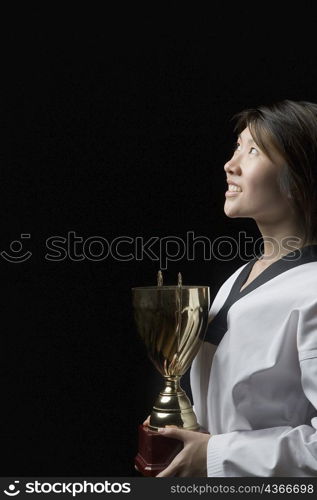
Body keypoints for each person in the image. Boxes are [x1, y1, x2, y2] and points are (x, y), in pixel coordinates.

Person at [145, 99, 317, 477]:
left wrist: (217, 455)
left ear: (300, 179)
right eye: (237, 147)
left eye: (253, 150)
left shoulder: (313, 292)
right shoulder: (237, 280)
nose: (230, 163)